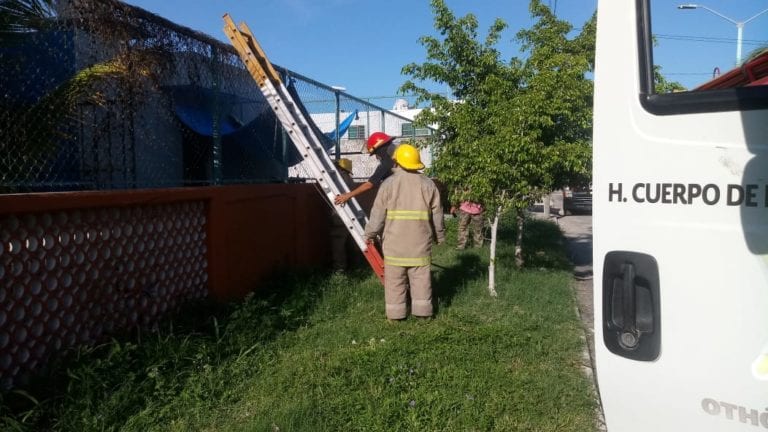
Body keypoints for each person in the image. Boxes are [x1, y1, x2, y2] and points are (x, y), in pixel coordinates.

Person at [364, 144, 445, 320]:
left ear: (397, 162)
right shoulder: (428, 184)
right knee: (421, 280)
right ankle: (423, 315)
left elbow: (377, 214)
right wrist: (440, 236)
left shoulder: (388, 184)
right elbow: (438, 214)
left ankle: (395, 316)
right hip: (420, 244)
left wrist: (369, 234)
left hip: (394, 245)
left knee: (395, 283)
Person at [333, 131, 395, 207]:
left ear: (380, 148)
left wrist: (347, 196)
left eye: (376, 153)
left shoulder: (387, 163)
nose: (376, 157)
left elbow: (369, 185)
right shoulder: (398, 158)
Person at [330, 158, 356, 271]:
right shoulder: (349, 179)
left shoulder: (339, 178)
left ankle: (339, 268)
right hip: (350, 214)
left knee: (338, 241)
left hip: (340, 215)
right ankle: (354, 265)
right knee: (349, 242)